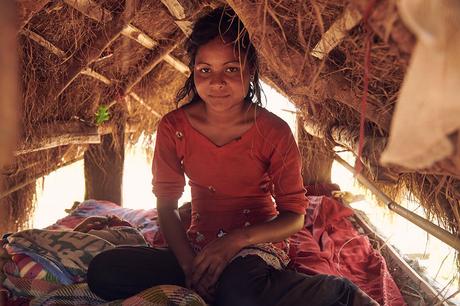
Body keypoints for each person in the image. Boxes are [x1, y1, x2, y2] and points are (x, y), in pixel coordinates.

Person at [87, 7, 378, 306]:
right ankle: (236, 285)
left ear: (250, 71)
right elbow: (166, 203)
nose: (217, 82)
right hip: (198, 246)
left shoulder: (272, 131)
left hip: (255, 246)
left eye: (231, 69)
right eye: (205, 70)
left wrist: (234, 241)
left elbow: (294, 216)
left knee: (238, 294)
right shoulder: (174, 127)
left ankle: (337, 293)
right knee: (105, 271)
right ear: (193, 71)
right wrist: (190, 266)